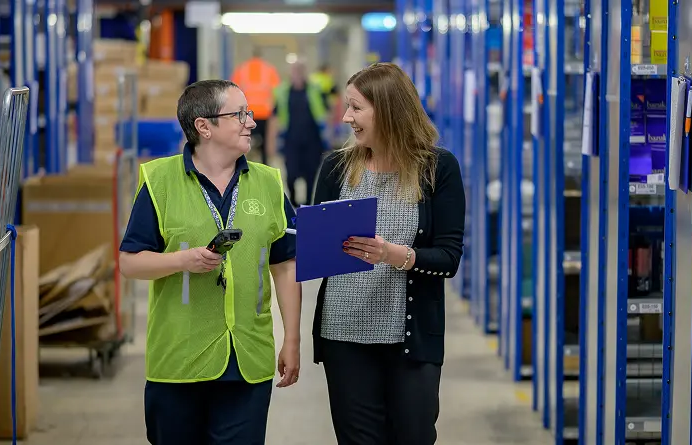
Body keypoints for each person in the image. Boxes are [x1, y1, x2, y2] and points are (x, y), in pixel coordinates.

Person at [118, 79, 302, 445]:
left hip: (248, 358)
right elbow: (129, 263)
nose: (251, 121)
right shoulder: (160, 181)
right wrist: (180, 260)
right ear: (204, 126)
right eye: (240, 114)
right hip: (179, 361)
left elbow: (285, 264)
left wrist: (292, 338)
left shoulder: (267, 182)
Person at [309, 62, 466, 445]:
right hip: (343, 334)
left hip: (409, 340)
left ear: (389, 109)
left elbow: (448, 257)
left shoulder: (437, 168)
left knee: (413, 436)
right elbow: (316, 251)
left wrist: (395, 255)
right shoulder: (335, 167)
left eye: (356, 107)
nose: (346, 117)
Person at [266, 61, 329, 207]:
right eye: (295, 70)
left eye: (301, 70)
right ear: (290, 72)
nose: (298, 73)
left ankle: (307, 205)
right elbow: (274, 118)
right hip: (291, 140)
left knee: (311, 174)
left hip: (312, 140)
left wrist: (329, 137)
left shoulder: (314, 89)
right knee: (291, 173)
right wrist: (271, 142)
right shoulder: (282, 91)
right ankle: (293, 201)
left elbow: (326, 113)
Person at [231, 48, 281, 165]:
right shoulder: (269, 69)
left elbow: (233, 90)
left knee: (244, 141)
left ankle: (243, 165)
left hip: (247, 113)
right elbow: (276, 91)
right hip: (265, 112)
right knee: (264, 144)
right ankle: (264, 165)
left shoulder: (242, 69)